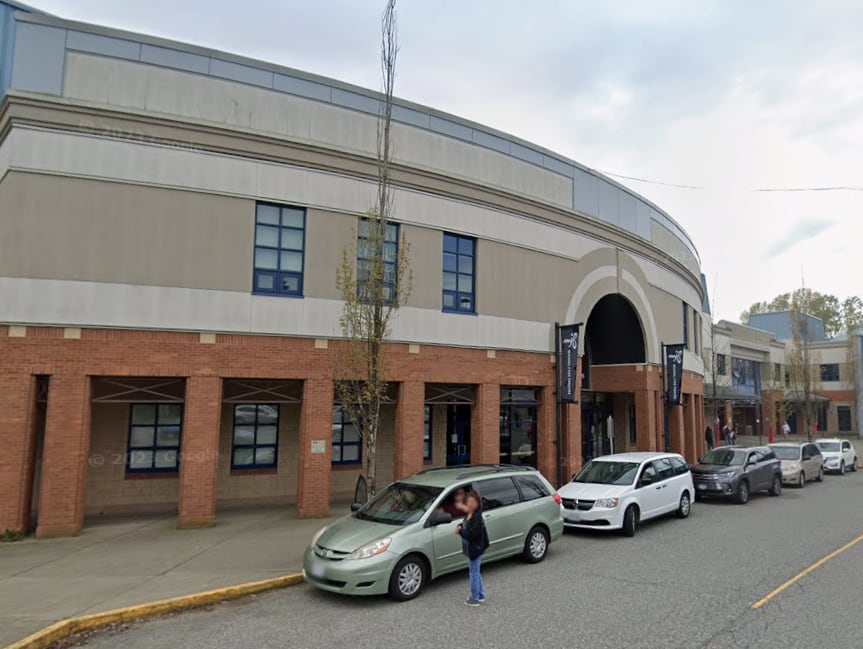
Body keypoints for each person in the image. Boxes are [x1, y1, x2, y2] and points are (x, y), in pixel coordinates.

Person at [456, 490, 489, 607]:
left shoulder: (477, 517)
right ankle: (480, 595)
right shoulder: (470, 513)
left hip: (475, 548)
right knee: (476, 571)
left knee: (473, 573)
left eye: (472, 501)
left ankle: (474, 598)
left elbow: (472, 534)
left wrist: (460, 532)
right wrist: (460, 526)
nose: (469, 503)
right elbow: (464, 524)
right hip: (471, 548)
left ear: (477, 503)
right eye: (468, 501)